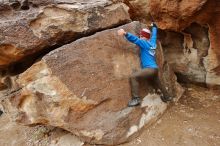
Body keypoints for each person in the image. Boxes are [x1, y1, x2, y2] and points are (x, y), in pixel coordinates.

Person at [117, 22, 171, 107]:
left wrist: (125, 33)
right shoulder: (152, 43)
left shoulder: (144, 43)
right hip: (155, 69)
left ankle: (136, 98)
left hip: (149, 69)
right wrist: (154, 27)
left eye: (141, 36)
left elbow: (135, 40)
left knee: (133, 76)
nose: (140, 37)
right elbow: (154, 36)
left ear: (144, 37)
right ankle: (167, 96)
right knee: (158, 83)